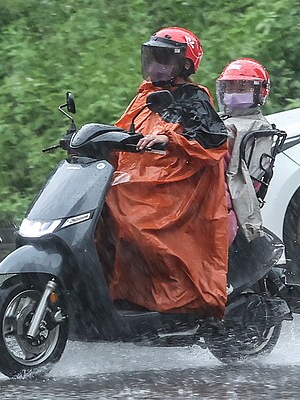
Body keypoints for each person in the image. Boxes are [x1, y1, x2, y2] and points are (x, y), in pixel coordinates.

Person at [97, 27, 230, 318]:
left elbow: (213, 141)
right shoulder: (145, 96)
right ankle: (116, 292)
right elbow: (122, 132)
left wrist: (171, 141)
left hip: (179, 186)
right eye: (152, 60)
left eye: (163, 61)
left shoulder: (193, 99)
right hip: (142, 177)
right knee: (99, 209)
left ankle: (170, 294)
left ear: (184, 65)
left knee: (135, 221)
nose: (155, 68)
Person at [216, 58, 274, 242]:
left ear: (260, 91)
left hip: (224, 193)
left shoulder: (258, 128)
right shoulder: (222, 120)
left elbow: (251, 181)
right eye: (230, 88)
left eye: (241, 89)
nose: (234, 93)